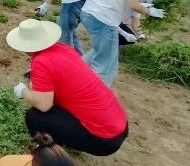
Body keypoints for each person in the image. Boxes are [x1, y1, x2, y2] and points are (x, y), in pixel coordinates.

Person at [8, 19, 129, 157]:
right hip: (119, 126)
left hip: (103, 140)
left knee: (34, 117)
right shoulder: (64, 48)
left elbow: (44, 105)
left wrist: (22, 91)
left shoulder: (41, 62)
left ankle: (47, 151)